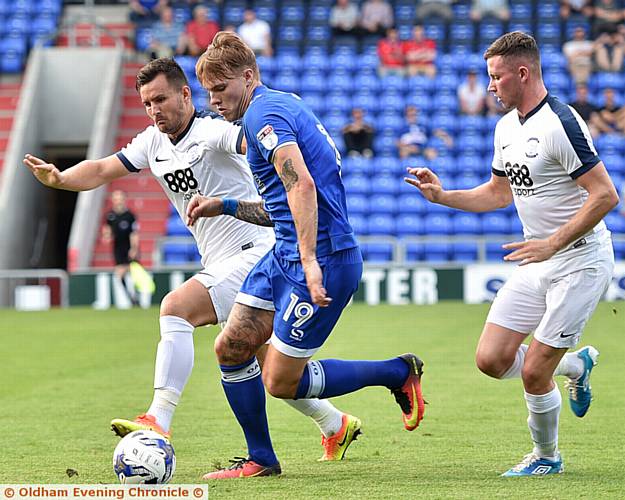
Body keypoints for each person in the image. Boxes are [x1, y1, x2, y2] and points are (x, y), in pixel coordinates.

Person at [23, 58, 363, 463]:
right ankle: (335, 424)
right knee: (260, 361)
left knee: (176, 308)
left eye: (161, 99)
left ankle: (158, 418)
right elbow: (100, 169)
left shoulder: (215, 131)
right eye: (147, 103)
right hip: (220, 260)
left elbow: (261, 148)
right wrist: (61, 178)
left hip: (256, 251)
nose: (154, 110)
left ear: (185, 94)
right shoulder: (151, 142)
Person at [192, 31, 426, 479]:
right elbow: (285, 204)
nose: (215, 100)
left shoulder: (266, 115)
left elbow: (301, 185)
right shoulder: (279, 105)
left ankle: (397, 372)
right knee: (232, 346)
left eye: (221, 89)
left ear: (248, 76)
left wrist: (311, 263)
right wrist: (222, 205)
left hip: (323, 256)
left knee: (280, 381)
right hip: (285, 252)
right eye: (209, 92)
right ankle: (261, 459)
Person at [405, 31, 618, 476]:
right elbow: (499, 193)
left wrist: (553, 241)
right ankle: (577, 364)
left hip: (579, 260)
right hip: (538, 259)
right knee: (491, 359)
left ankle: (547, 458)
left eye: (496, 77)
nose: (490, 86)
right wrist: (442, 195)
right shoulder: (505, 127)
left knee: (534, 371)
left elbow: (605, 196)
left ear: (522, 73)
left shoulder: (562, 122)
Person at [103, 190, 140, 306]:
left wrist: (134, 248)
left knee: (132, 272)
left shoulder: (130, 216)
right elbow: (107, 229)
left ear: (124, 200)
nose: (118, 200)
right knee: (120, 273)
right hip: (118, 247)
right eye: (116, 198)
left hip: (129, 247)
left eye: (120, 198)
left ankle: (136, 296)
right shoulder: (110, 215)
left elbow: (134, 233)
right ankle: (130, 298)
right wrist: (106, 236)